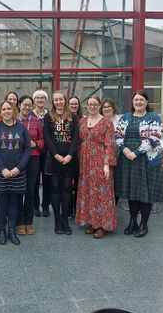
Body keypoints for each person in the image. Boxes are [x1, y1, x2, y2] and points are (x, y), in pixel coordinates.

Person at [115, 90, 163, 238]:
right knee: (131, 192)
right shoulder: (125, 117)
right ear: (133, 102)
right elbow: (117, 134)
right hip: (127, 158)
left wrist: (136, 153)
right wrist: (124, 149)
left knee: (145, 193)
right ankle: (132, 222)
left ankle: (144, 224)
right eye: (136, 100)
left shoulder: (154, 118)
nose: (138, 102)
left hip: (146, 159)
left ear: (147, 102)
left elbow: (155, 138)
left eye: (141, 100)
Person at [0, 101, 31, 245]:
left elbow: (27, 150)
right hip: (0, 173)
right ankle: (1, 229)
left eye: (9, 109)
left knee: (14, 201)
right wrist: (2, 168)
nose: (7, 111)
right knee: (2, 202)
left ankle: (11, 230)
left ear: (14, 111)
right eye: (4, 109)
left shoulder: (22, 128)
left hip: (18, 172)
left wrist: (19, 168)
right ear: (0, 111)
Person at [75, 95, 117, 239]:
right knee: (88, 192)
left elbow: (110, 144)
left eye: (95, 104)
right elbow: (79, 142)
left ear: (99, 105)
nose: (92, 106)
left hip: (100, 162)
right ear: (87, 106)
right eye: (90, 104)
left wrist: (106, 164)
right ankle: (92, 222)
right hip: (85, 162)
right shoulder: (82, 121)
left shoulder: (106, 123)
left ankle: (102, 225)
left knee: (102, 193)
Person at [44, 91, 79, 235]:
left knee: (66, 190)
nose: (58, 102)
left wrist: (70, 155)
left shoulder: (73, 116)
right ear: (53, 102)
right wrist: (56, 155)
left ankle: (65, 221)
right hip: (54, 159)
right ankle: (57, 221)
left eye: (60, 99)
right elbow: (47, 137)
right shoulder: (48, 116)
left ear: (65, 100)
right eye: (55, 100)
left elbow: (76, 136)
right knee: (55, 190)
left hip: (69, 160)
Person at [15, 95, 44, 236]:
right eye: (24, 105)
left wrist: (37, 144)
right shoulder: (14, 121)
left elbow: (43, 140)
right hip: (18, 159)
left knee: (30, 191)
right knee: (19, 190)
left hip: (33, 158)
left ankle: (29, 222)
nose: (26, 107)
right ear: (19, 105)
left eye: (29, 105)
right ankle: (19, 222)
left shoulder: (36, 122)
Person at [32, 89, 51, 217]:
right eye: (38, 97)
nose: (40, 100)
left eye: (42, 97)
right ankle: (35, 206)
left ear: (46, 100)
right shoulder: (30, 115)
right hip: (34, 152)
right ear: (34, 100)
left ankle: (45, 206)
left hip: (48, 153)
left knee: (47, 180)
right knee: (34, 180)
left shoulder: (50, 115)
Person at [68, 95, 83, 218]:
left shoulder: (83, 120)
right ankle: (68, 209)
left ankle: (78, 210)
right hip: (67, 155)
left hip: (81, 155)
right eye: (71, 103)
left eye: (75, 104)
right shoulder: (65, 119)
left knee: (79, 184)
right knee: (68, 184)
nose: (73, 106)